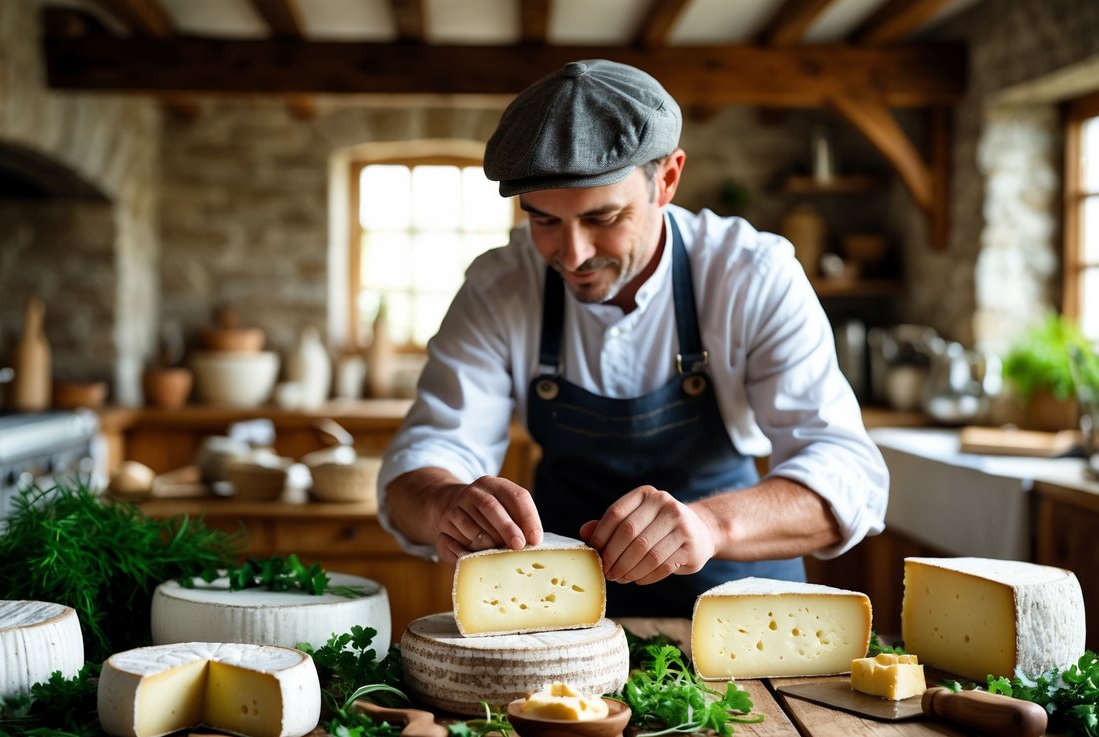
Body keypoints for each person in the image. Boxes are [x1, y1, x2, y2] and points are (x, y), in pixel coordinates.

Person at [376, 59, 889, 617]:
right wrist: (445, 502)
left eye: (602, 217)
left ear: (666, 179)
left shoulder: (751, 274)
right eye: (544, 221)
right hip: (564, 614)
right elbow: (423, 460)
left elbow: (848, 475)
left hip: (739, 618)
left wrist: (708, 525)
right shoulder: (499, 287)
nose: (571, 256)